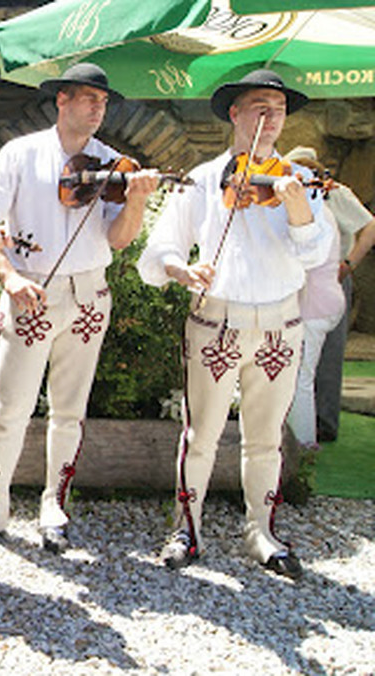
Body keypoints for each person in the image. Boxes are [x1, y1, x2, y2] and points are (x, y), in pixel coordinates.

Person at [0, 63, 158, 554]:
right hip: (31, 289)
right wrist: (10, 275)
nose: (97, 108)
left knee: (70, 409)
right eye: (87, 98)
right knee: (11, 408)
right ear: (61, 100)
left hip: (89, 293)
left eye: (103, 102)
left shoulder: (113, 164)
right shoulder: (19, 154)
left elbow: (119, 239)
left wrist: (136, 202)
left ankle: (54, 507)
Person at [137, 69, 330, 579]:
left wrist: (297, 210)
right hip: (216, 320)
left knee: (266, 438)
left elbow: (317, 255)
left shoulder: (302, 181)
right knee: (200, 433)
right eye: (259, 107)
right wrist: (182, 269)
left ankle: (260, 533)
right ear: (235, 114)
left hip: (279, 325)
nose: (270, 118)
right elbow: (159, 251)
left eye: (280, 109)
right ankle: (186, 527)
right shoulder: (203, 178)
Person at [281, 146, 374, 450]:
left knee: (303, 377)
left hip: (315, 303)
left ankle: (306, 445)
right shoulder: (323, 212)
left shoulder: (316, 217)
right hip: (324, 299)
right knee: (303, 375)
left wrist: (348, 265)